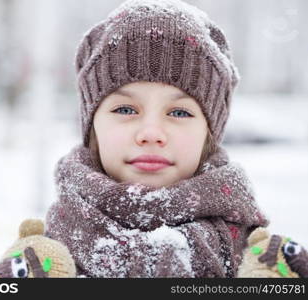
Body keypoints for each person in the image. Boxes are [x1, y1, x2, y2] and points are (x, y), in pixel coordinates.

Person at [45, 0, 269, 277]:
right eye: (125, 109)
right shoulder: (41, 261)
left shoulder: (263, 262)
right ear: (93, 126)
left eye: (179, 112)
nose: (151, 133)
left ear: (209, 133)